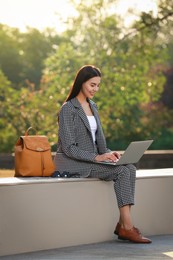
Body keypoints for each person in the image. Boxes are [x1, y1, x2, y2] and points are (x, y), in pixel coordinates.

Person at [54, 65, 152, 244]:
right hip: (70, 161)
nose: (95, 89)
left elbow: (100, 144)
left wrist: (108, 153)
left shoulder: (93, 106)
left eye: (98, 85)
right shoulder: (68, 109)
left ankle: (123, 224)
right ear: (81, 83)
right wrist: (96, 158)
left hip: (91, 158)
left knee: (129, 167)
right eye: (92, 85)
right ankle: (127, 227)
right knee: (122, 172)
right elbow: (68, 148)